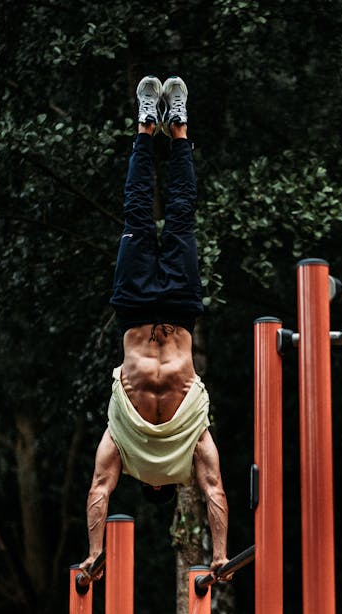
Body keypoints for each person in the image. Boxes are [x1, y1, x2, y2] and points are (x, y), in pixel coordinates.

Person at [78, 75, 229, 579]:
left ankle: (164, 125)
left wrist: (222, 552)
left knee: (174, 216)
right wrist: (220, 556)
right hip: (146, 309)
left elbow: (213, 493)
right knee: (146, 214)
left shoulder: (165, 441)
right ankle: (157, 125)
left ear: (160, 484)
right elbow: (101, 490)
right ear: (147, 484)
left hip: (162, 311)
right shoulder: (137, 441)